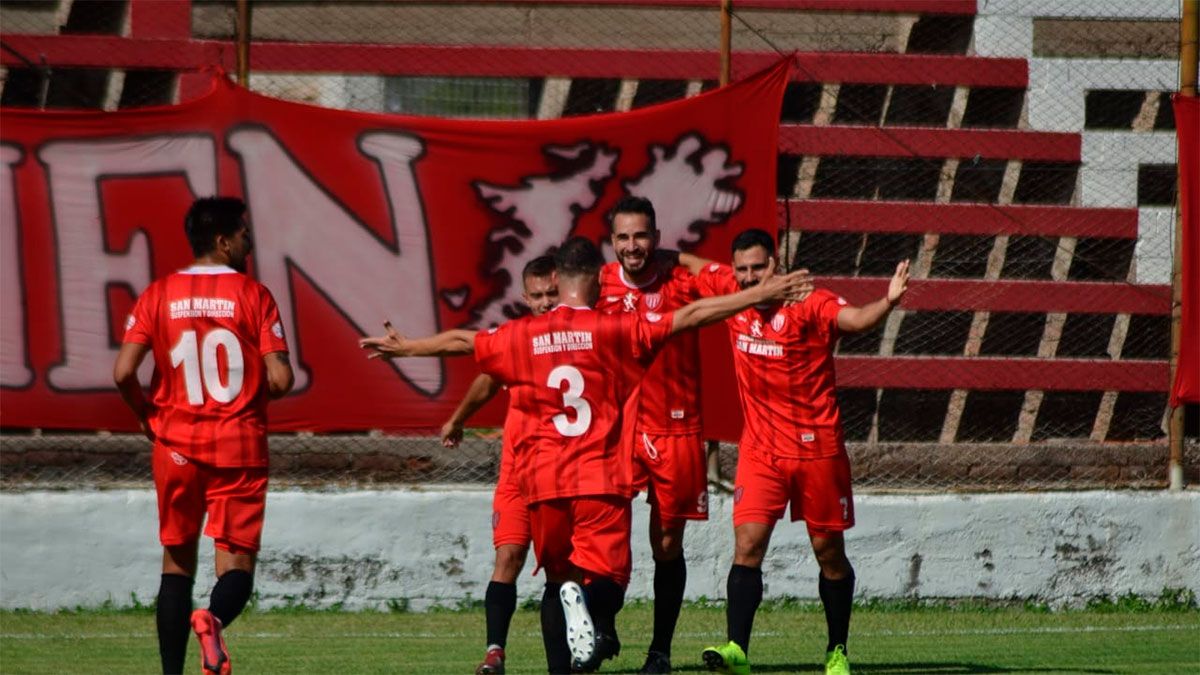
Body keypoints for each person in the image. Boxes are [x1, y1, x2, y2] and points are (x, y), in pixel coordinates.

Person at [360, 236, 809, 674]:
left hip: (543, 485)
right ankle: (589, 615)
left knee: (557, 585)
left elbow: (465, 341)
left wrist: (408, 347)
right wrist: (758, 294)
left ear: (556, 278)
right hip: (599, 480)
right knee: (608, 586)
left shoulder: (522, 334)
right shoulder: (612, 328)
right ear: (596, 278)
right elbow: (689, 316)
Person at [680, 229, 908, 675]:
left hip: (816, 451)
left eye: (758, 268)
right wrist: (652, 250)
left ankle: (837, 651)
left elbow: (858, 320)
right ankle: (736, 649)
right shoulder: (733, 290)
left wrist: (889, 301)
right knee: (747, 546)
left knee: (828, 553)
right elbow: (692, 265)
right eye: (742, 269)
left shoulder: (810, 302)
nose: (749, 278)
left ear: (776, 263)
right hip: (761, 451)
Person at [113, 197, 295, 675]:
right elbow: (280, 380)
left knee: (176, 563)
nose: (248, 243)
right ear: (224, 241)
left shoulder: (158, 293)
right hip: (238, 443)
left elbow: (123, 372)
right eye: (244, 235)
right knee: (235, 568)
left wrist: (145, 414)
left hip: (174, 446)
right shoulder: (254, 295)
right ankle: (211, 620)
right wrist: (249, 392)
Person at [596, 196, 708, 674]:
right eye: (623, 237)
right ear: (613, 242)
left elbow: (728, 280)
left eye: (641, 236)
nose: (632, 246)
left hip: (675, 427)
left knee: (666, 542)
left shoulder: (680, 279)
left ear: (656, 239)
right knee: (602, 534)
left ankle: (660, 650)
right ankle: (603, 625)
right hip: (615, 428)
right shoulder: (598, 283)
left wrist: (681, 259)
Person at [439, 256, 559, 675]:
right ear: (525, 297)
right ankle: (494, 653)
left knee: (564, 570)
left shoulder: (580, 337)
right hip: (517, 471)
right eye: (538, 296)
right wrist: (459, 417)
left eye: (552, 295)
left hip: (564, 473)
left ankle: (569, 658)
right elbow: (488, 376)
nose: (545, 303)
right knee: (507, 558)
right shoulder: (519, 338)